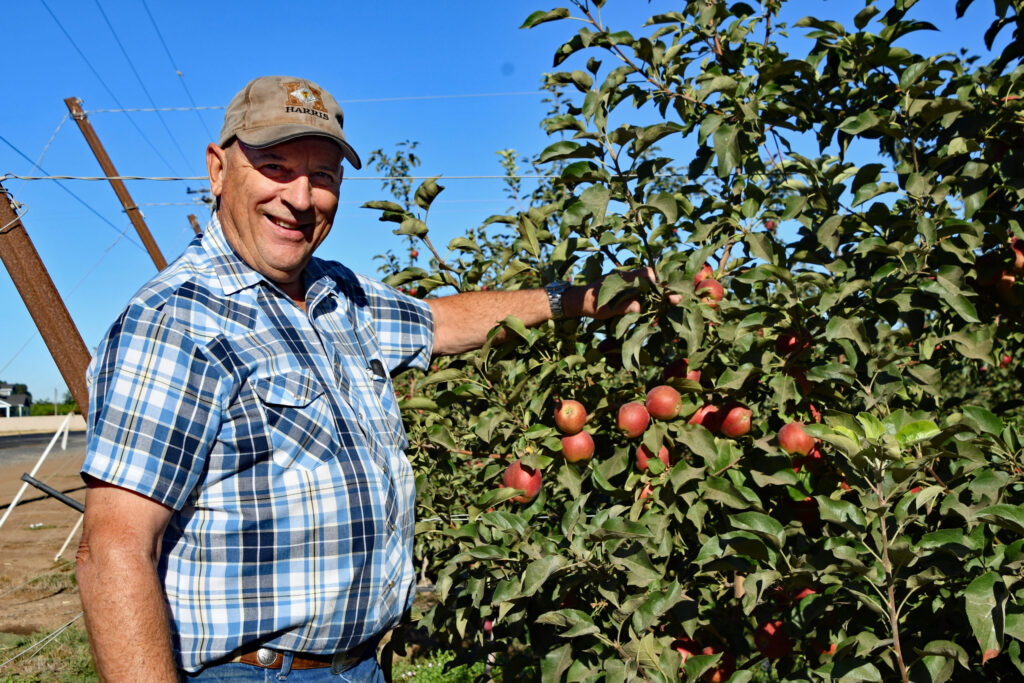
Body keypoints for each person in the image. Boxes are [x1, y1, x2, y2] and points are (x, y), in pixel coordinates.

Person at [75, 75, 664, 682]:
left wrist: (582, 299)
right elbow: (114, 549)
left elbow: (441, 323)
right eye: (275, 167)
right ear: (218, 170)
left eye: (323, 177)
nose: (301, 198)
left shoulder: (338, 297)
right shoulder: (176, 321)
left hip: (358, 667)